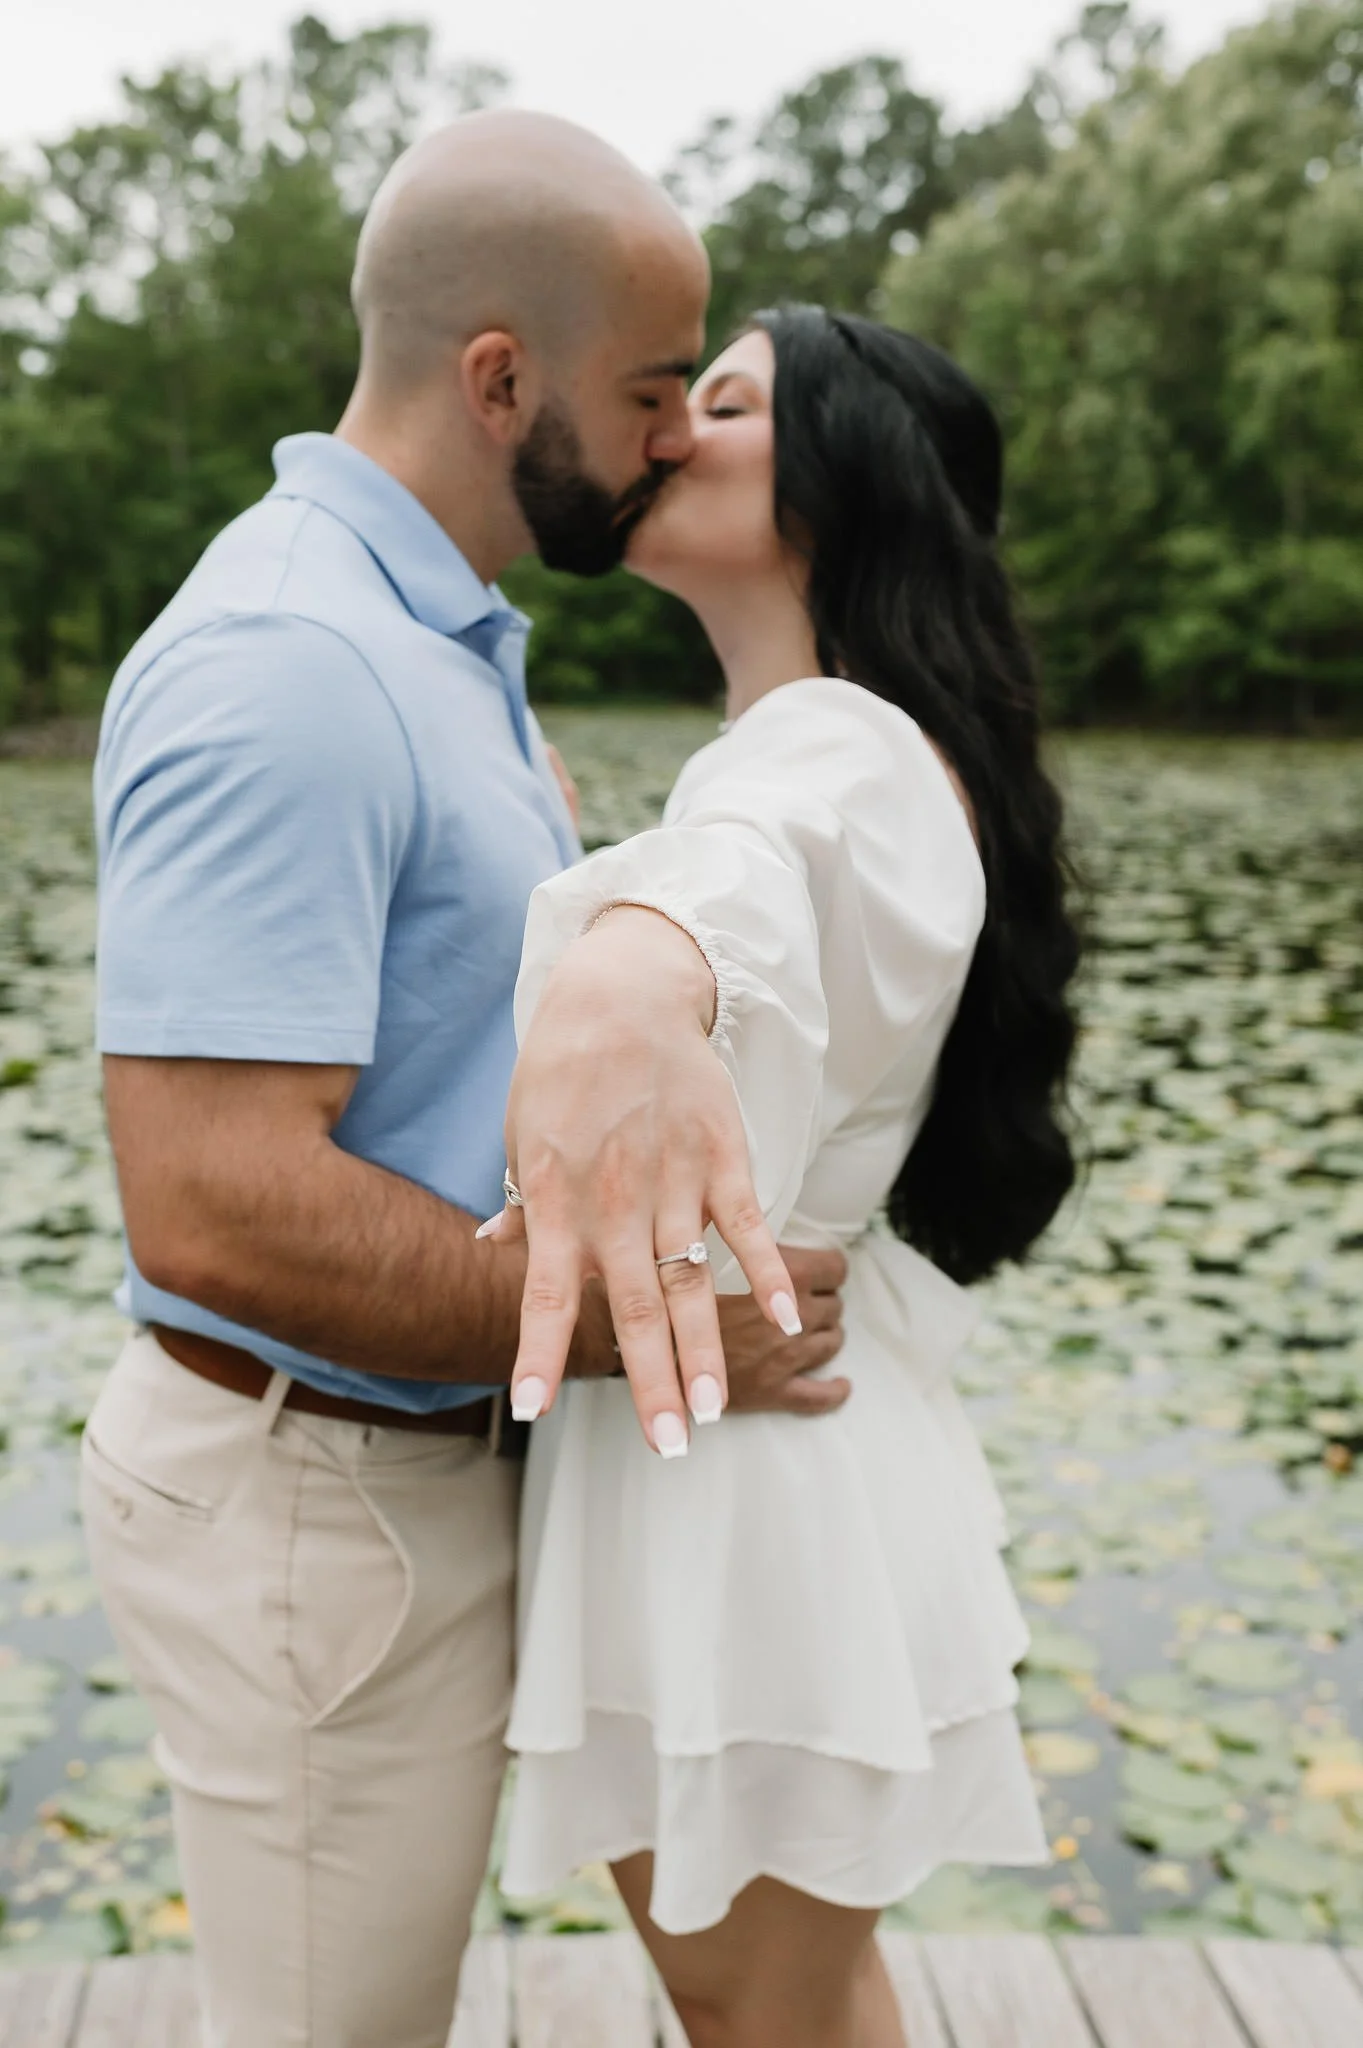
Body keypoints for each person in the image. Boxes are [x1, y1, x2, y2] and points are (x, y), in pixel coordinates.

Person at [79, 118, 850, 2048]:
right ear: (498, 378)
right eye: (651, 391)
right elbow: (214, 1199)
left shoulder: (432, 636)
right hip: (311, 1499)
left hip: (434, 1474)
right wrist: (654, 1333)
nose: (677, 436)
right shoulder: (291, 659)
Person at [488, 309, 1083, 2048]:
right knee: (794, 2013)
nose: (669, 433)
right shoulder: (817, 748)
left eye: (725, 402)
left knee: (758, 2018)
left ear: (845, 481)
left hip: (746, 1487)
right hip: (752, 1456)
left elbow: (749, 877)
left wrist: (636, 945)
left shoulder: (838, 748)